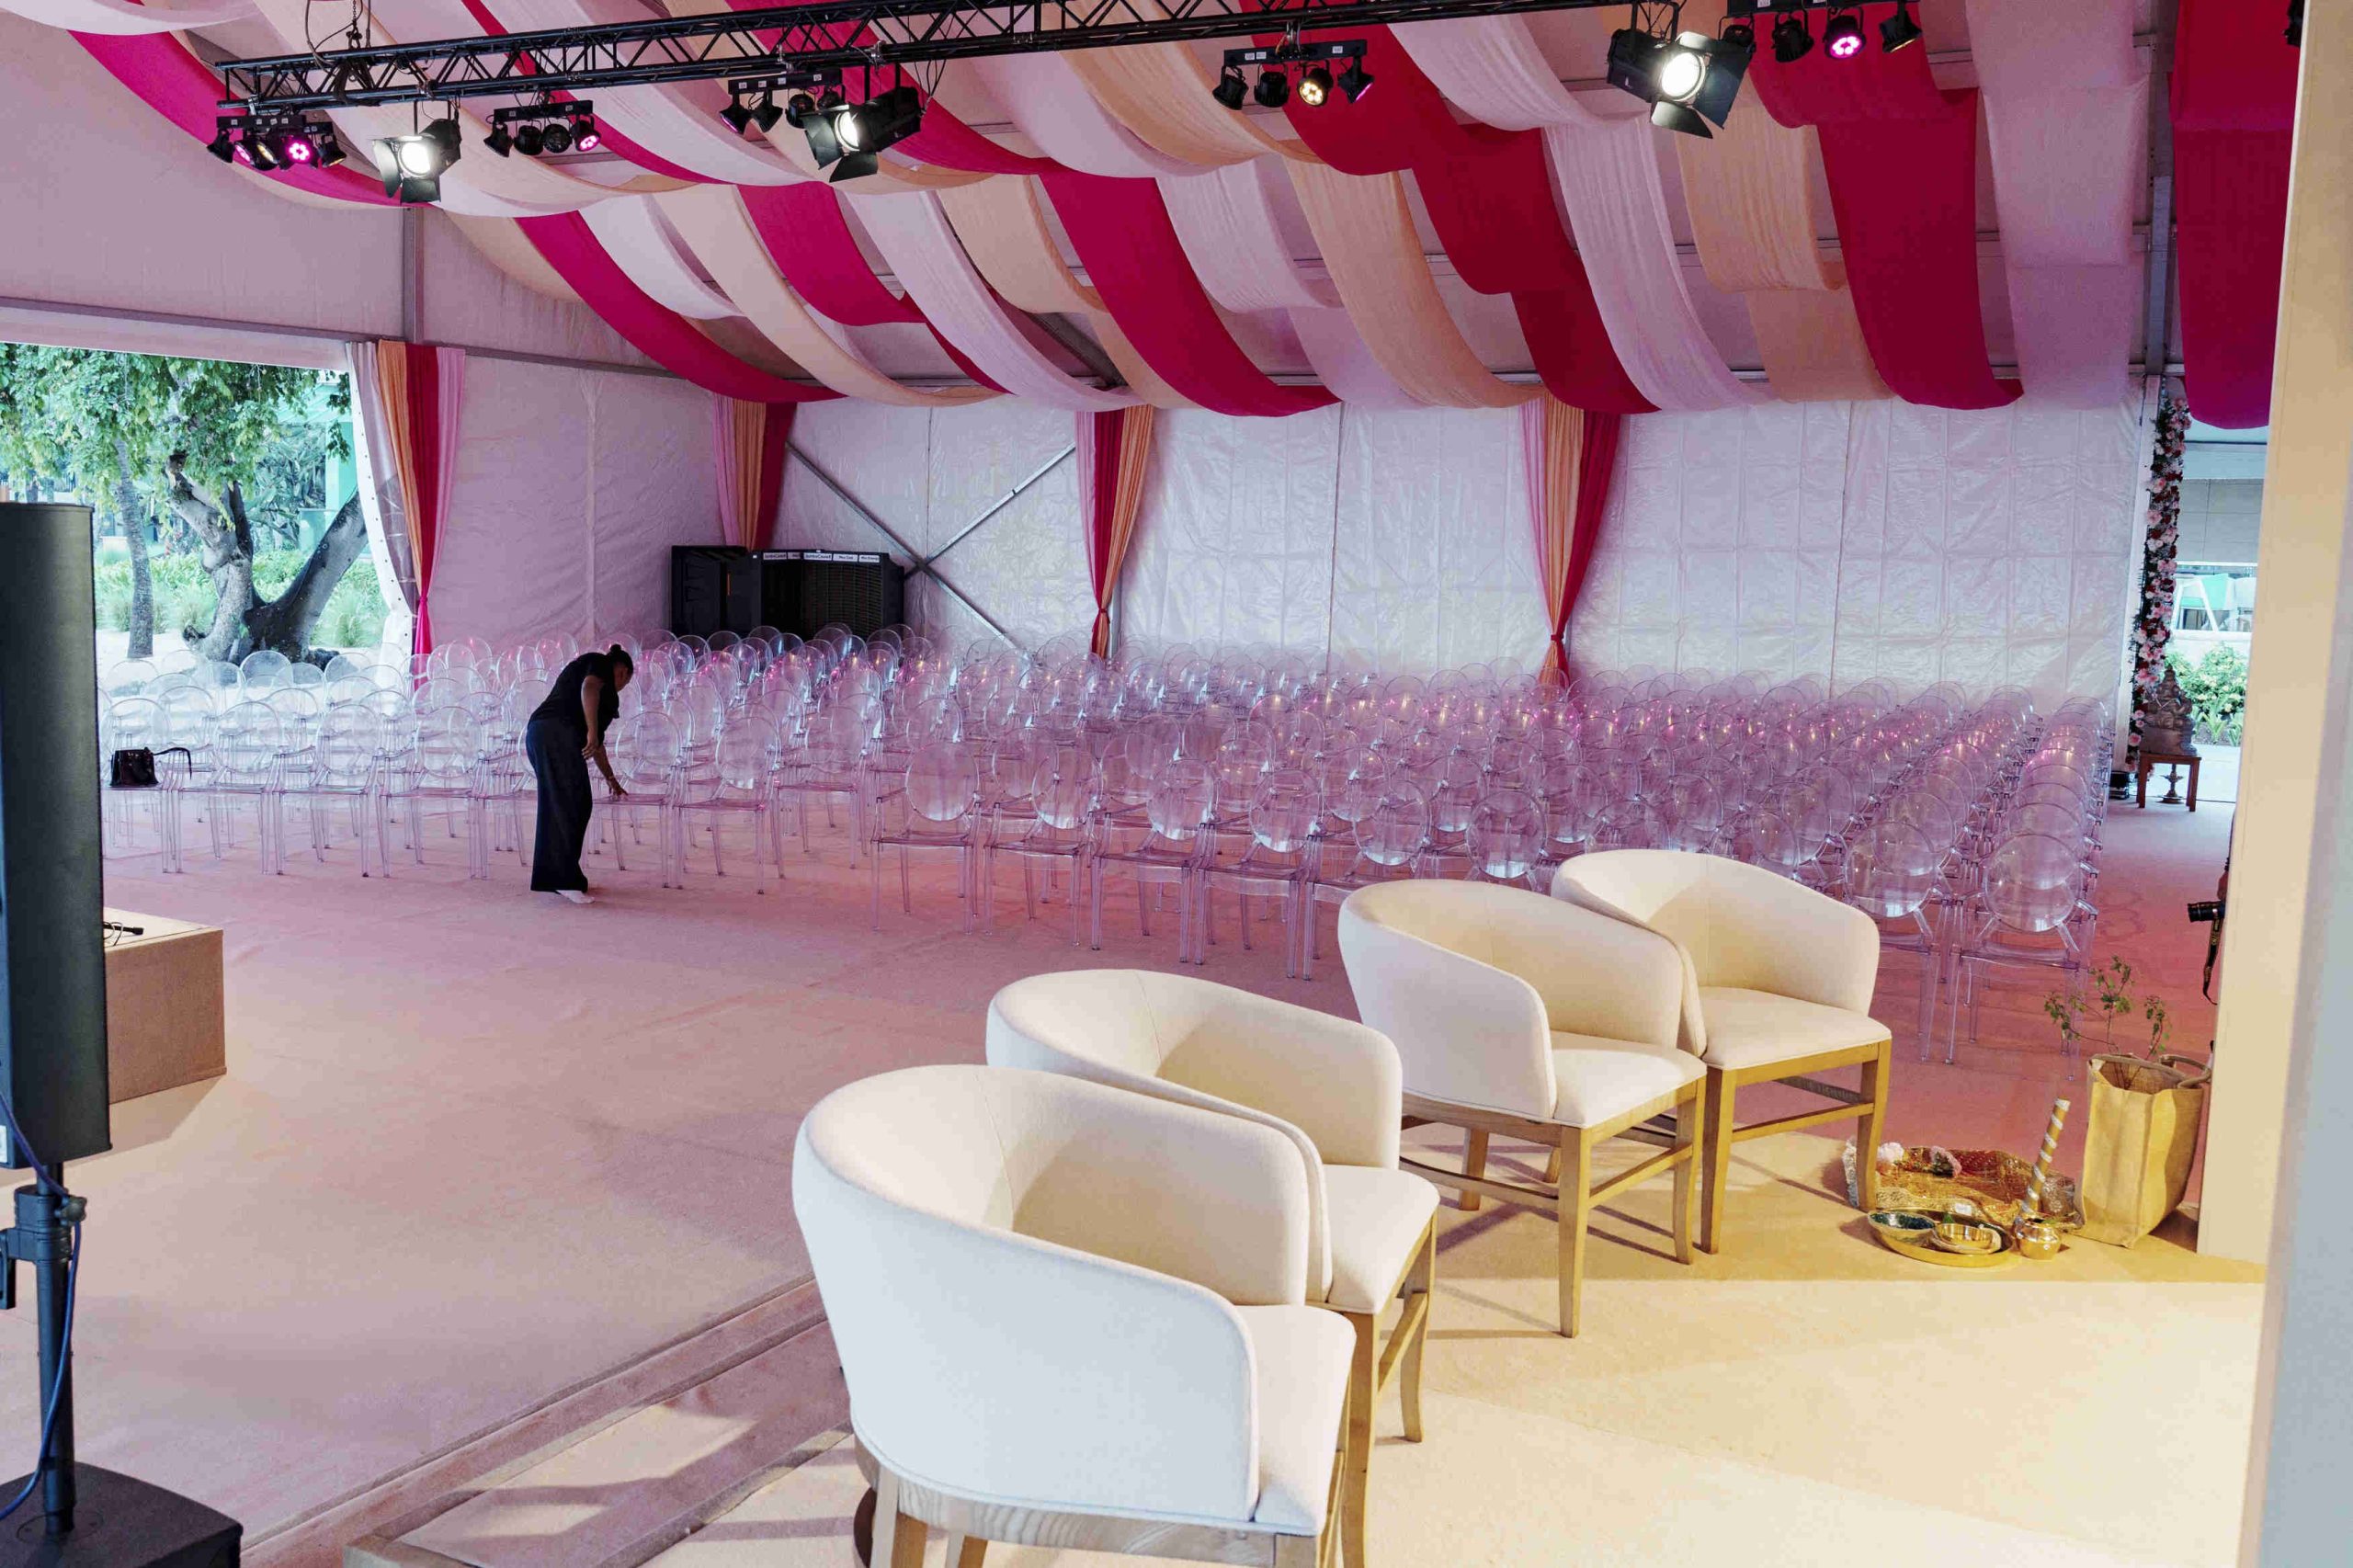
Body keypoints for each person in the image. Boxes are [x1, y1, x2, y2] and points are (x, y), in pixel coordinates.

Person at [525, 644, 632, 903]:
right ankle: (563, 879)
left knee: (564, 804)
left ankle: (555, 877)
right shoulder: (599, 663)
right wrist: (592, 732)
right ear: (623, 673)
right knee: (572, 804)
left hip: (540, 733)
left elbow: (596, 747)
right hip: (555, 733)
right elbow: (589, 688)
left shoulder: (603, 698)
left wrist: (611, 779)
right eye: (626, 681)